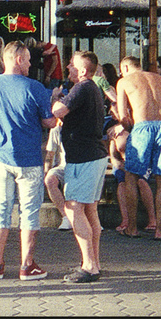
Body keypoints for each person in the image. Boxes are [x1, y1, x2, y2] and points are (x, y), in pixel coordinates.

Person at [0, 40, 57, 282]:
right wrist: (57, 104)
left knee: (0, 210)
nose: (31, 64)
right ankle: (26, 266)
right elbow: (49, 122)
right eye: (28, 59)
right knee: (29, 212)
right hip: (28, 159)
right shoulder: (35, 87)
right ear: (18, 59)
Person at [50, 51, 108, 284]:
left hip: (83, 157)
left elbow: (58, 111)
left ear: (83, 71)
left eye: (72, 65)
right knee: (90, 209)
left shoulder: (82, 88)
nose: (68, 68)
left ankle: (90, 265)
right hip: (93, 155)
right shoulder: (92, 89)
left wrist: (55, 97)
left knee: (74, 208)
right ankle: (93, 261)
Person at [116, 53, 161, 241]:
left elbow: (123, 116)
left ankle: (132, 228)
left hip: (142, 127)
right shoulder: (160, 79)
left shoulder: (124, 82)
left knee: (131, 176)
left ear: (125, 68)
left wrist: (128, 127)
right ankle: (160, 230)